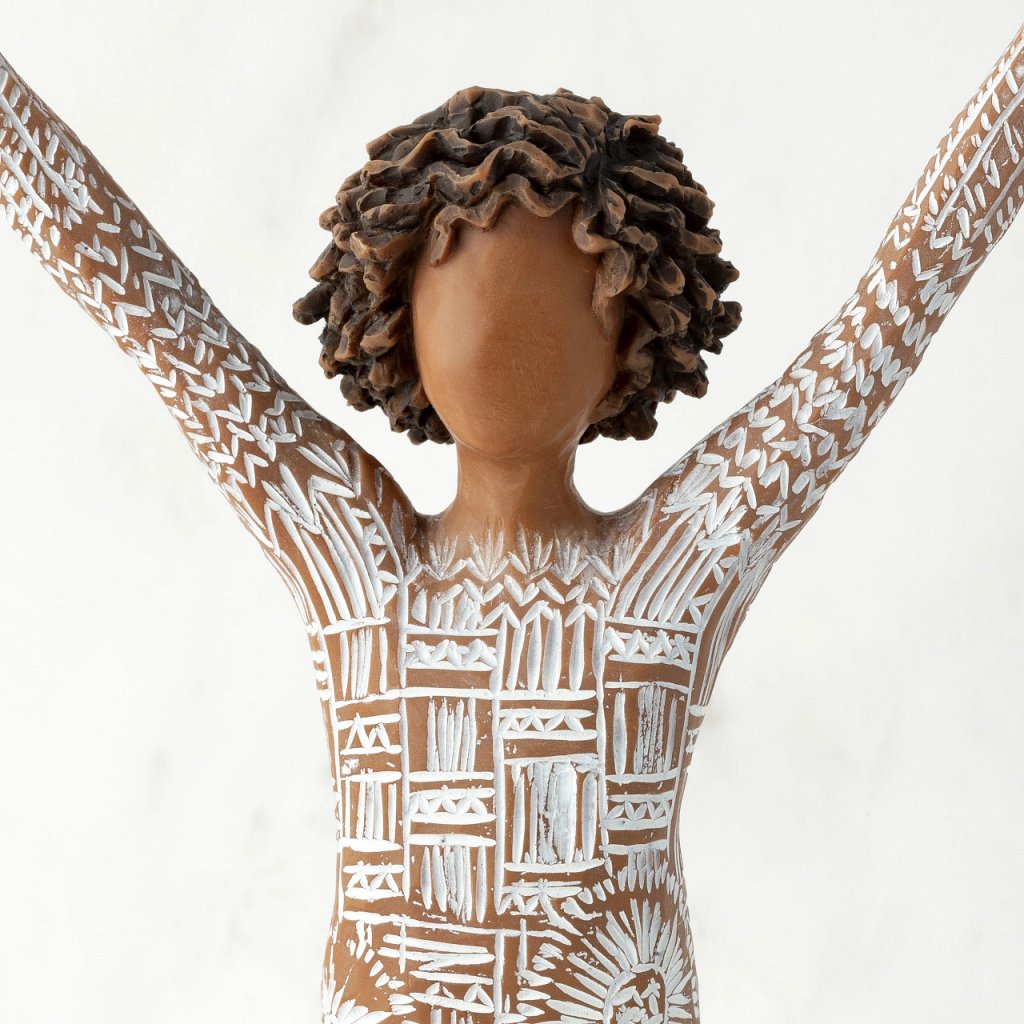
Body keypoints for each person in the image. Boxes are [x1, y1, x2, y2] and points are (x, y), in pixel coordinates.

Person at [2, 20, 1022, 1023]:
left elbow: (879, 331)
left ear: (632, 337)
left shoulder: (662, 578)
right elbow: (161, 323)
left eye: (566, 293)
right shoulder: (362, 564)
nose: (500, 330)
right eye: (461, 282)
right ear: (394, 312)